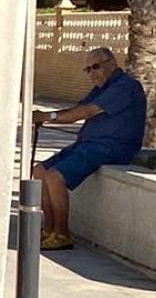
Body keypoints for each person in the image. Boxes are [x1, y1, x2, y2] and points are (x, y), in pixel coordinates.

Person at [31, 46, 148, 250]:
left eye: (95, 67)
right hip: (88, 144)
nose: (92, 74)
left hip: (111, 147)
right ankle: (48, 229)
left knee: (56, 177)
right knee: (39, 171)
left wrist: (47, 117)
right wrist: (45, 116)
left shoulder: (125, 86)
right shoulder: (101, 89)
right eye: (88, 70)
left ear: (112, 64)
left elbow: (85, 112)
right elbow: (75, 110)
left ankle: (61, 234)